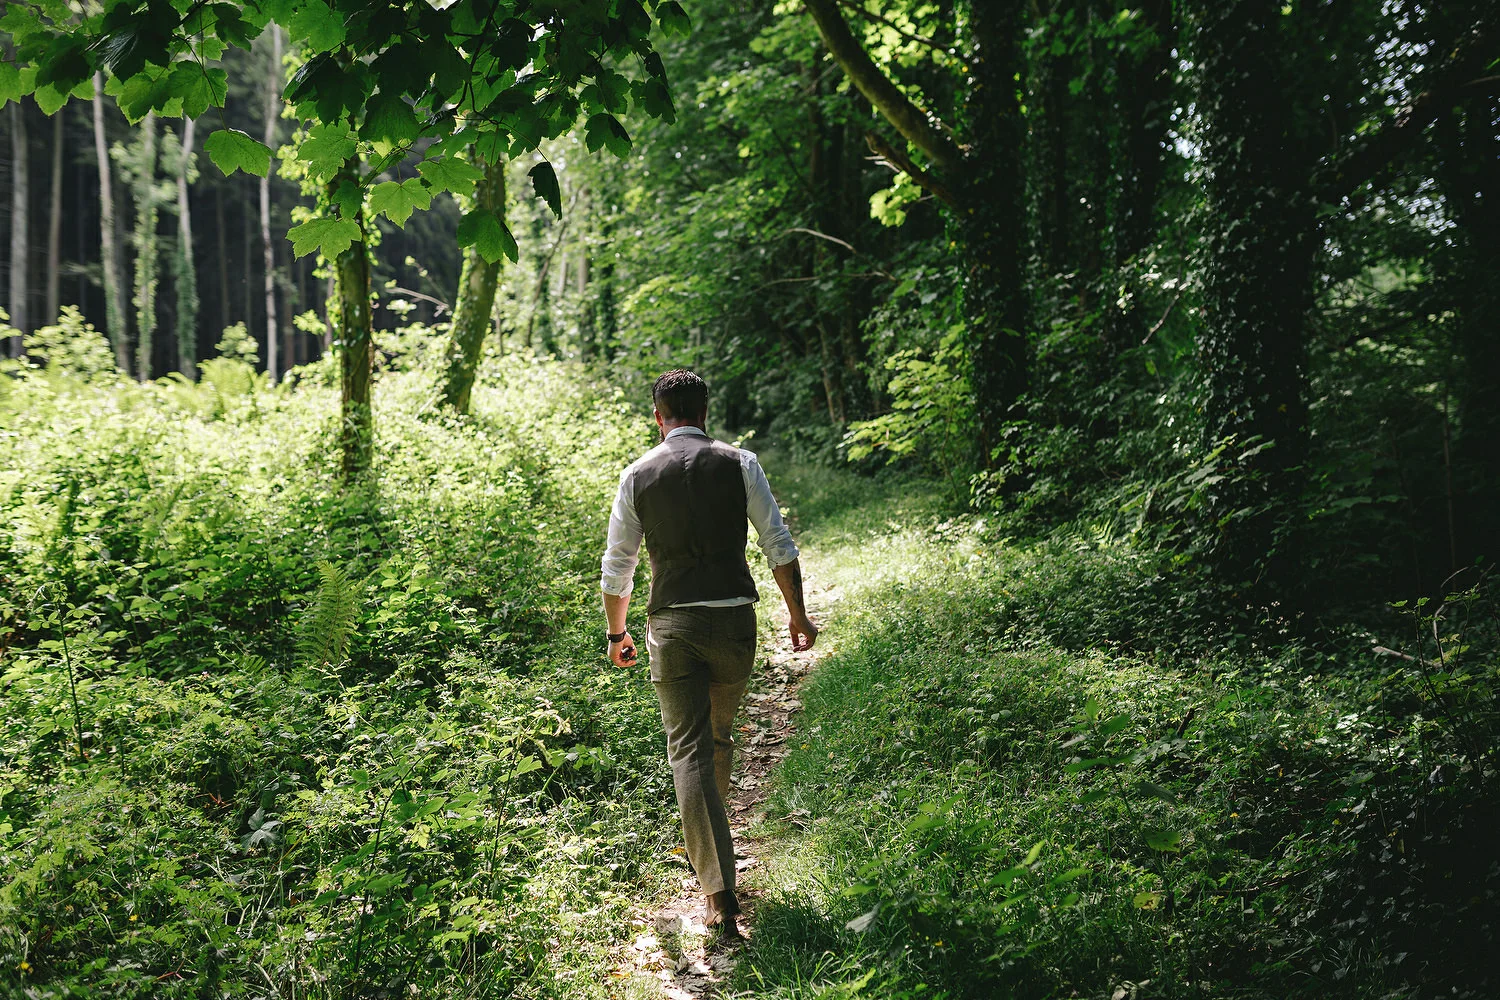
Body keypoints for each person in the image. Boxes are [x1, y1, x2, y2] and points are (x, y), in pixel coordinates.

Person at [600, 369, 818, 939]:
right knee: (715, 738)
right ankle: (716, 858)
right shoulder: (740, 463)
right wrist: (796, 614)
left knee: (690, 752)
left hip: (671, 624)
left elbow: (617, 566)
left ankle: (718, 890)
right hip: (732, 625)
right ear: (703, 412)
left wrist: (616, 634)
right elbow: (779, 543)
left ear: (659, 416)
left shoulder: (637, 474)